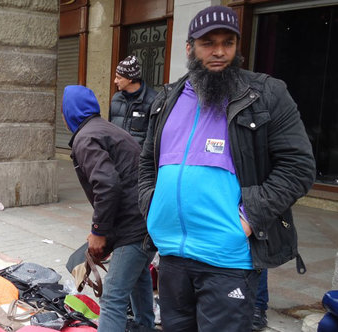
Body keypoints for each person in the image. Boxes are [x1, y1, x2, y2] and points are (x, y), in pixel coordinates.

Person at [137, 5, 316, 332]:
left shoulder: (265, 94)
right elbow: (147, 165)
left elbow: (299, 167)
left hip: (227, 261)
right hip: (173, 256)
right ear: (189, 47)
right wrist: (152, 208)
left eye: (228, 42)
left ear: (237, 46)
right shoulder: (167, 99)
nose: (219, 51)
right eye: (208, 43)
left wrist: (246, 220)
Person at [62, 85, 155, 332]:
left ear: (68, 113)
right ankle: (145, 326)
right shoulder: (105, 129)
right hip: (146, 218)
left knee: (112, 297)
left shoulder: (85, 138)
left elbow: (107, 184)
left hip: (134, 225)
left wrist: (99, 230)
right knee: (139, 276)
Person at [110, 55, 158, 146]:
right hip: (116, 157)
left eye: (119, 78)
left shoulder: (153, 100)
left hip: (138, 158)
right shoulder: (116, 99)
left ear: (130, 79)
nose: (115, 81)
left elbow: (154, 137)